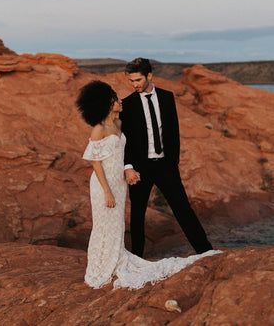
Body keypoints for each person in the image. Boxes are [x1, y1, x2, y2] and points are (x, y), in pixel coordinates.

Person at [76, 80, 221, 290]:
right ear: (107, 103)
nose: (120, 101)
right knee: (103, 225)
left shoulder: (117, 123)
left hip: (119, 183)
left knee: (116, 225)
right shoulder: (98, 129)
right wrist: (107, 191)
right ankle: (100, 267)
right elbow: (95, 162)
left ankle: (115, 260)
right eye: (116, 99)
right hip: (103, 184)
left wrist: (128, 170)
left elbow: (124, 151)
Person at [120, 57, 213, 257]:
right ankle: (137, 259)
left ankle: (205, 251)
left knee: (183, 209)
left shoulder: (167, 97)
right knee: (137, 215)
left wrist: (173, 162)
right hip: (140, 168)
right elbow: (125, 139)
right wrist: (128, 166)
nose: (134, 84)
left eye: (138, 80)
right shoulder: (127, 104)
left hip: (165, 166)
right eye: (131, 81)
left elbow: (173, 132)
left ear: (149, 76)